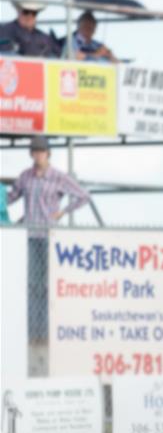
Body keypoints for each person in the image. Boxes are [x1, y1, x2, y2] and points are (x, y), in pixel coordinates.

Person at [6, 136, 90, 343]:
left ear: (48, 153)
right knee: (31, 284)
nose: (38, 154)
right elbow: (10, 196)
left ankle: (45, 331)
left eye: (41, 151)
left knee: (47, 285)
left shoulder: (58, 177)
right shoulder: (25, 176)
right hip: (29, 236)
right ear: (31, 153)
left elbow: (83, 196)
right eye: (35, 151)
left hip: (48, 236)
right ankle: (32, 332)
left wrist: (63, 212)